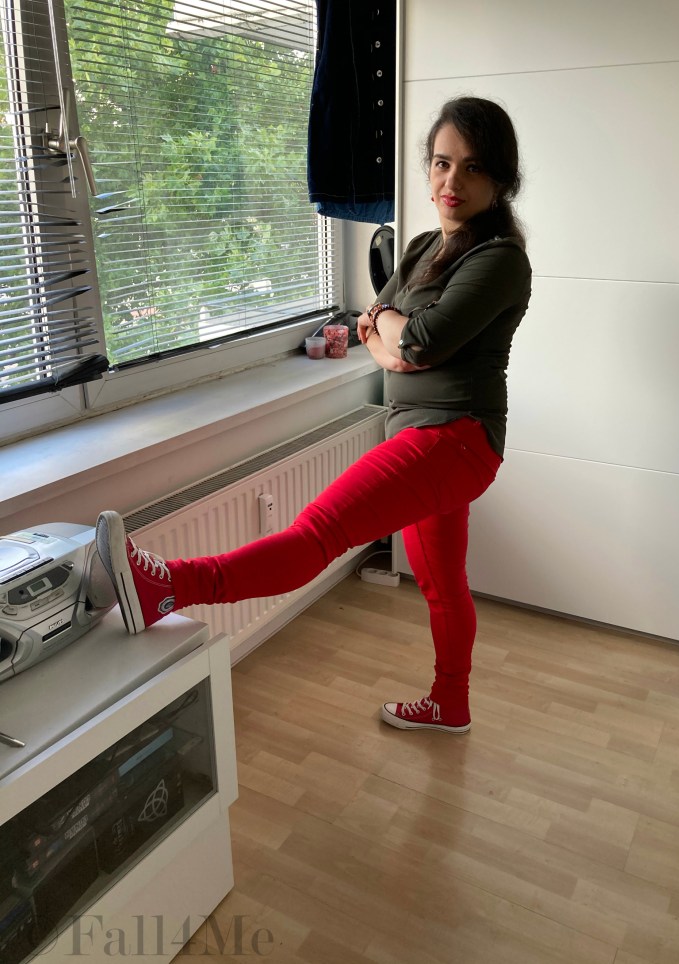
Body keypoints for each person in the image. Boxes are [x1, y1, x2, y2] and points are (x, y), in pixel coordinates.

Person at [96, 96, 532, 735]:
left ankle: (172, 587)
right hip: (423, 433)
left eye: (471, 168)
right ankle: (450, 704)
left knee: (316, 535)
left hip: (454, 437)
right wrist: (397, 335)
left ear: (500, 179)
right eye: (441, 164)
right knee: (442, 585)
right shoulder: (417, 249)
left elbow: (418, 344)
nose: (451, 182)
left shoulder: (497, 260)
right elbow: (376, 332)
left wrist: (400, 339)